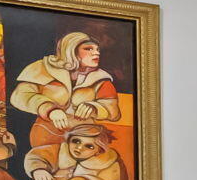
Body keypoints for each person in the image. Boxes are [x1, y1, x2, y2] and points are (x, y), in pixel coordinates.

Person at [10, 32, 122, 164]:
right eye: (88, 49)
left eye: (97, 50)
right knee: (42, 170)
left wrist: (94, 108)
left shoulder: (101, 79)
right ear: (71, 50)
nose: (96, 53)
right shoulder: (43, 68)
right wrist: (49, 109)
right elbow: (19, 96)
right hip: (45, 136)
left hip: (85, 139)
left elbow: (114, 112)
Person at [24, 122, 130, 180]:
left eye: (89, 146)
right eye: (76, 141)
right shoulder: (60, 150)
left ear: (99, 150)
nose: (79, 148)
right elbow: (35, 156)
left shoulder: (109, 162)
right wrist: (37, 169)